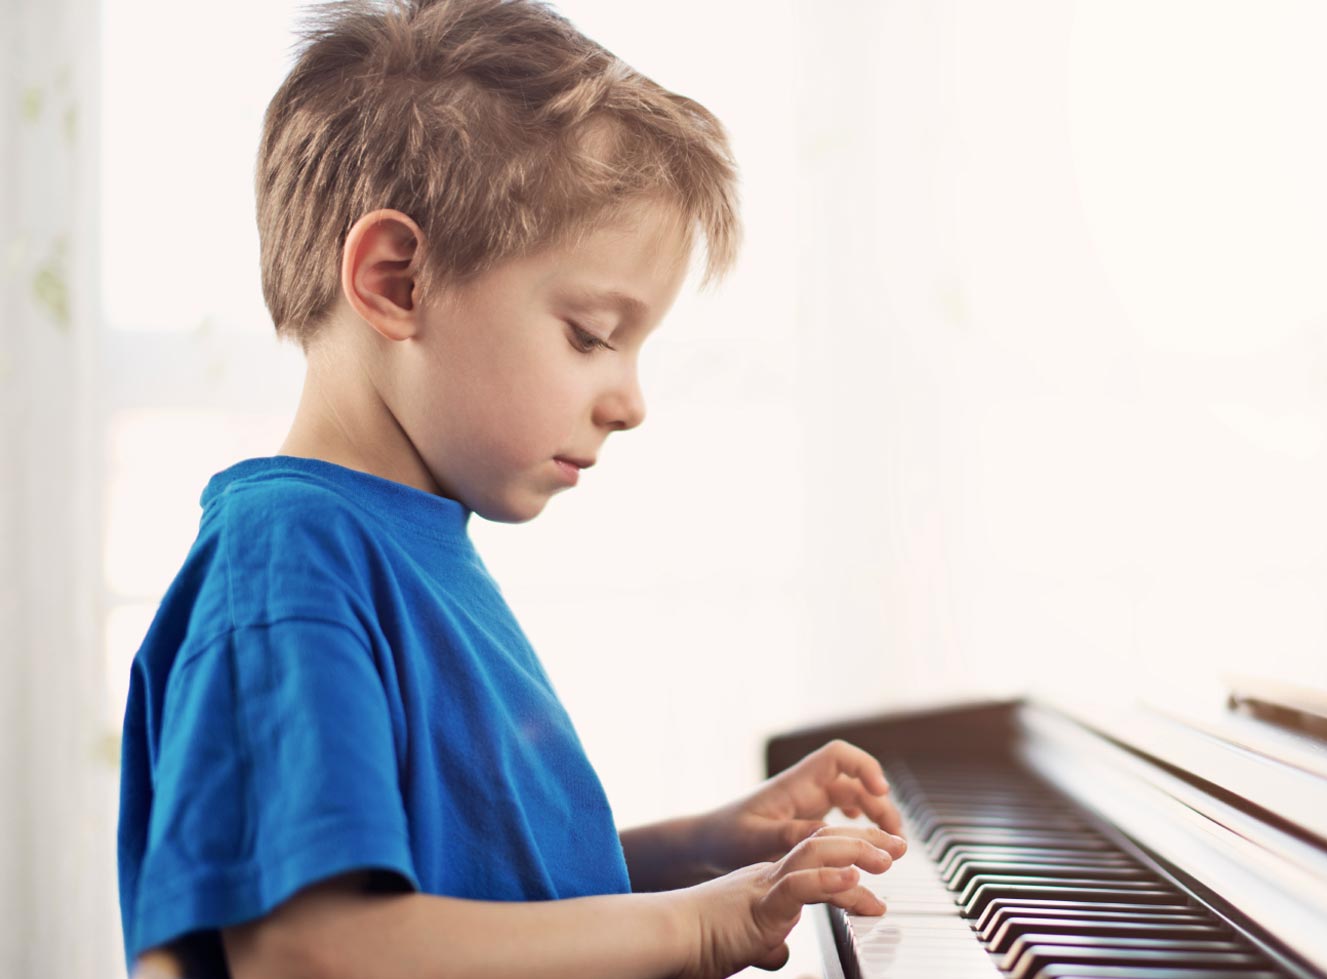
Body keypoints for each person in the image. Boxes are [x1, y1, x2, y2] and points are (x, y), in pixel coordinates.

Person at [115, 1, 907, 976]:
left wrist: (707, 847)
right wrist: (697, 924)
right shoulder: (288, 560)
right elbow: (313, 951)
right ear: (398, 281)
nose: (630, 401)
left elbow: (480, 907)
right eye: (590, 333)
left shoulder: (405, 546)